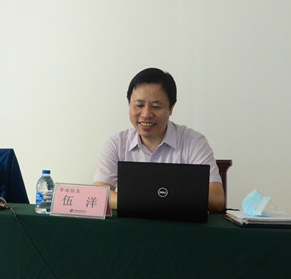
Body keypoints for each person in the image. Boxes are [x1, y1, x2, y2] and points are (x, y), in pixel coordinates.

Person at [93, 68, 225, 213]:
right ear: (129, 104)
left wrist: (139, 196)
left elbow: (216, 199)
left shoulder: (193, 142)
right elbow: (99, 194)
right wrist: (161, 196)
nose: (146, 114)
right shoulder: (117, 143)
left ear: (171, 108)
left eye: (156, 106)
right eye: (139, 105)